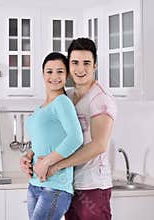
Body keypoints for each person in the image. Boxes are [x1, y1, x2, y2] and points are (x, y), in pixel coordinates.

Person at [21, 38, 117, 220]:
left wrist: (55, 165)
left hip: (92, 185)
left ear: (95, 65)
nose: (80, 69)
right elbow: (56, 136)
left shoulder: (101, 99)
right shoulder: (68, 96)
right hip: (70, 183)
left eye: (86, 63)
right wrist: (31, 155)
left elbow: (98, 145)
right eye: (75, 63)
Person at [23, 52, 83, 220]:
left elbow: (75, 138)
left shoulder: (62, 102)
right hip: (35, 184)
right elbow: (42, 141)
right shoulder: (41, 108)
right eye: (49, 71)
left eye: (60, 72)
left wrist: (46, 163)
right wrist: (27, 157)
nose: (54, 77)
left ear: (67, 76)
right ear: (43, 74)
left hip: (55, 186)